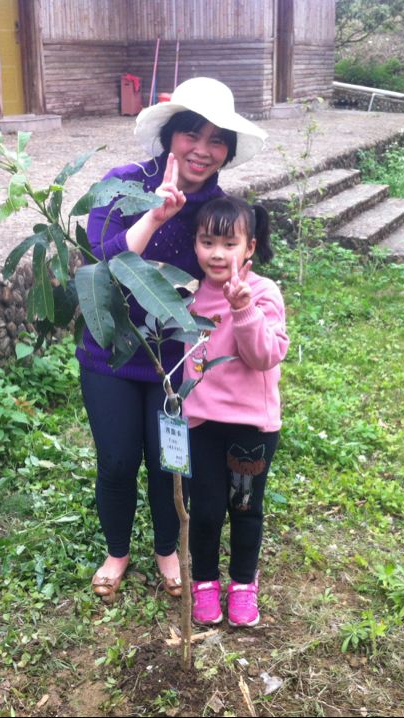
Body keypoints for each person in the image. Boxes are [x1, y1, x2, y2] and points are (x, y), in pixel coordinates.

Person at [79, 77, 268, 601]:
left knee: (169, 465)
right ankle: (117, 552)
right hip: (111, 354)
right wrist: (155, 215)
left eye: (217, 139)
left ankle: (166, 549)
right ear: (169, 136)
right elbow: (100, 263)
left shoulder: (218, 211)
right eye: (192, 134)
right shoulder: (121, 185)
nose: (203, 150)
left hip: (177, 363)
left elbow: (235, 272)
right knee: (118, 460)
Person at [181, 196, 289, 627]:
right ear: (195, 243)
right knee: (206, 510)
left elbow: (265, 356)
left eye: (229, 244)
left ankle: (243, 583)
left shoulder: (262, 293)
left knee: (244, 508)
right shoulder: (187, 295)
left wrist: (242, 309)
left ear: (250, 247)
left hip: (251, 428)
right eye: (207, 242)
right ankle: (205, 582)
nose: (217, 254)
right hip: (202, 424)